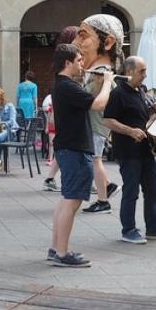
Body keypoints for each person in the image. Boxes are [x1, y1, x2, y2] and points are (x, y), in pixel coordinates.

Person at [48, 43, 113, 267]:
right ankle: (63, 254)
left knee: (66, 199)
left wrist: (97, 83)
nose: (82, 64)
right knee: (72, 201)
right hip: (75, 149)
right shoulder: (66, 86)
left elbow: (86, 101)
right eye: (78, 60)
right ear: (67, 63)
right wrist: (107, 83)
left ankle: (56, 248)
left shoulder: (64, 85)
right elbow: (98, 104)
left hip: (70, 148)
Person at [102, 56, 156, 243]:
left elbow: (141, 113)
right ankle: (128, 230)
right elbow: (108, 120)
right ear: (129, 72)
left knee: (153, 189)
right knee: (131, 191)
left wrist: (154, 108)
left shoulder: (141, 90)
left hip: (146, 148)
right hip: (127, 150)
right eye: (141, 71)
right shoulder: (118, 94)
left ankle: (153, 228)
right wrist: (130, 131)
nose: (145, 75)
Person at [76, 14, 123, 215]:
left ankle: (103, 201)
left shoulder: (101, 73)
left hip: (96, 126)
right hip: (95, 125)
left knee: (95, 159)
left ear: (108, 42)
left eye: (83, 36)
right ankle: (108, 187)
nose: (77, 43)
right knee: (95, 158)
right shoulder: (96, 72)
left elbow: (93, 101)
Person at [42, 25, 80, 192]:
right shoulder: (68, 61)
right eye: (78, 37)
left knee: (64, 145)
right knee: (66, 145)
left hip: (63, 111)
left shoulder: (65, 60)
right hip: (66, 112)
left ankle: (51, 178)